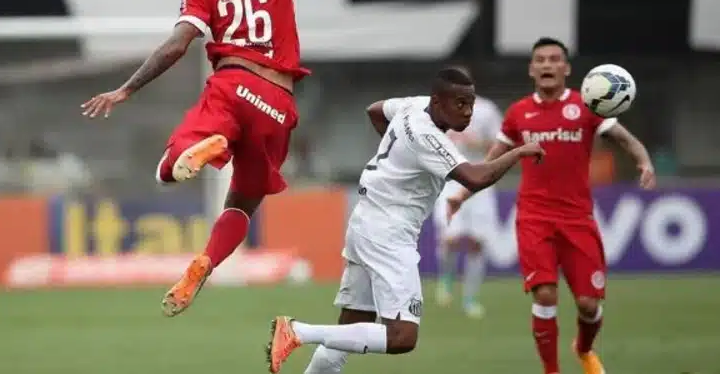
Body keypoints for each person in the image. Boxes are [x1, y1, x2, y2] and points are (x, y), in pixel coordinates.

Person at [80, 0, 348, 317]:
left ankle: (201, 148)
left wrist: (126, 89)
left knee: (167, 172)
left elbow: (176, 46)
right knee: (241, 205)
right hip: (276, 101)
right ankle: (206, 262)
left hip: (232, 85)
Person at [265, 67, 545, 374]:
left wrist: (399, 157)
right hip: (389, 232)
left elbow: (375, 110)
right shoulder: (428, 136)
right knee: (402, 336)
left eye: (470, 104)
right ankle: (298, 331)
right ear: (438, 102)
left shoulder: (414, 104)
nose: (467, 112)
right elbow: (475, 178)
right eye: (460, 104)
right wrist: (517, 153)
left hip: (366, 222)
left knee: (352, 327)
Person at [446, 37, 656, 374]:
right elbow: (491, 164)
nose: (547, 64)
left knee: (588, 304)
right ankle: (551, 370)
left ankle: (583, 348)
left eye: (554, 59)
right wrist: (461, 195)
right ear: (532, 69)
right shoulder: (518, 113)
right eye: (540, 59)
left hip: (578, 218)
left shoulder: (587, 105)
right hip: (534, 217)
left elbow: (625, 139)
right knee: (544, 296)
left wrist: (644, 162)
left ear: (566, 68)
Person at [433, 93, 503, 318]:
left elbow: (502, 144)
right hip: (450, 180)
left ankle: (470, 299)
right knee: (451, 238)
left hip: (479, 180)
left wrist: (478, 143)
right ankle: (446, 280)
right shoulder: (439, 108)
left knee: (476, 242)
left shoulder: (487, 110)